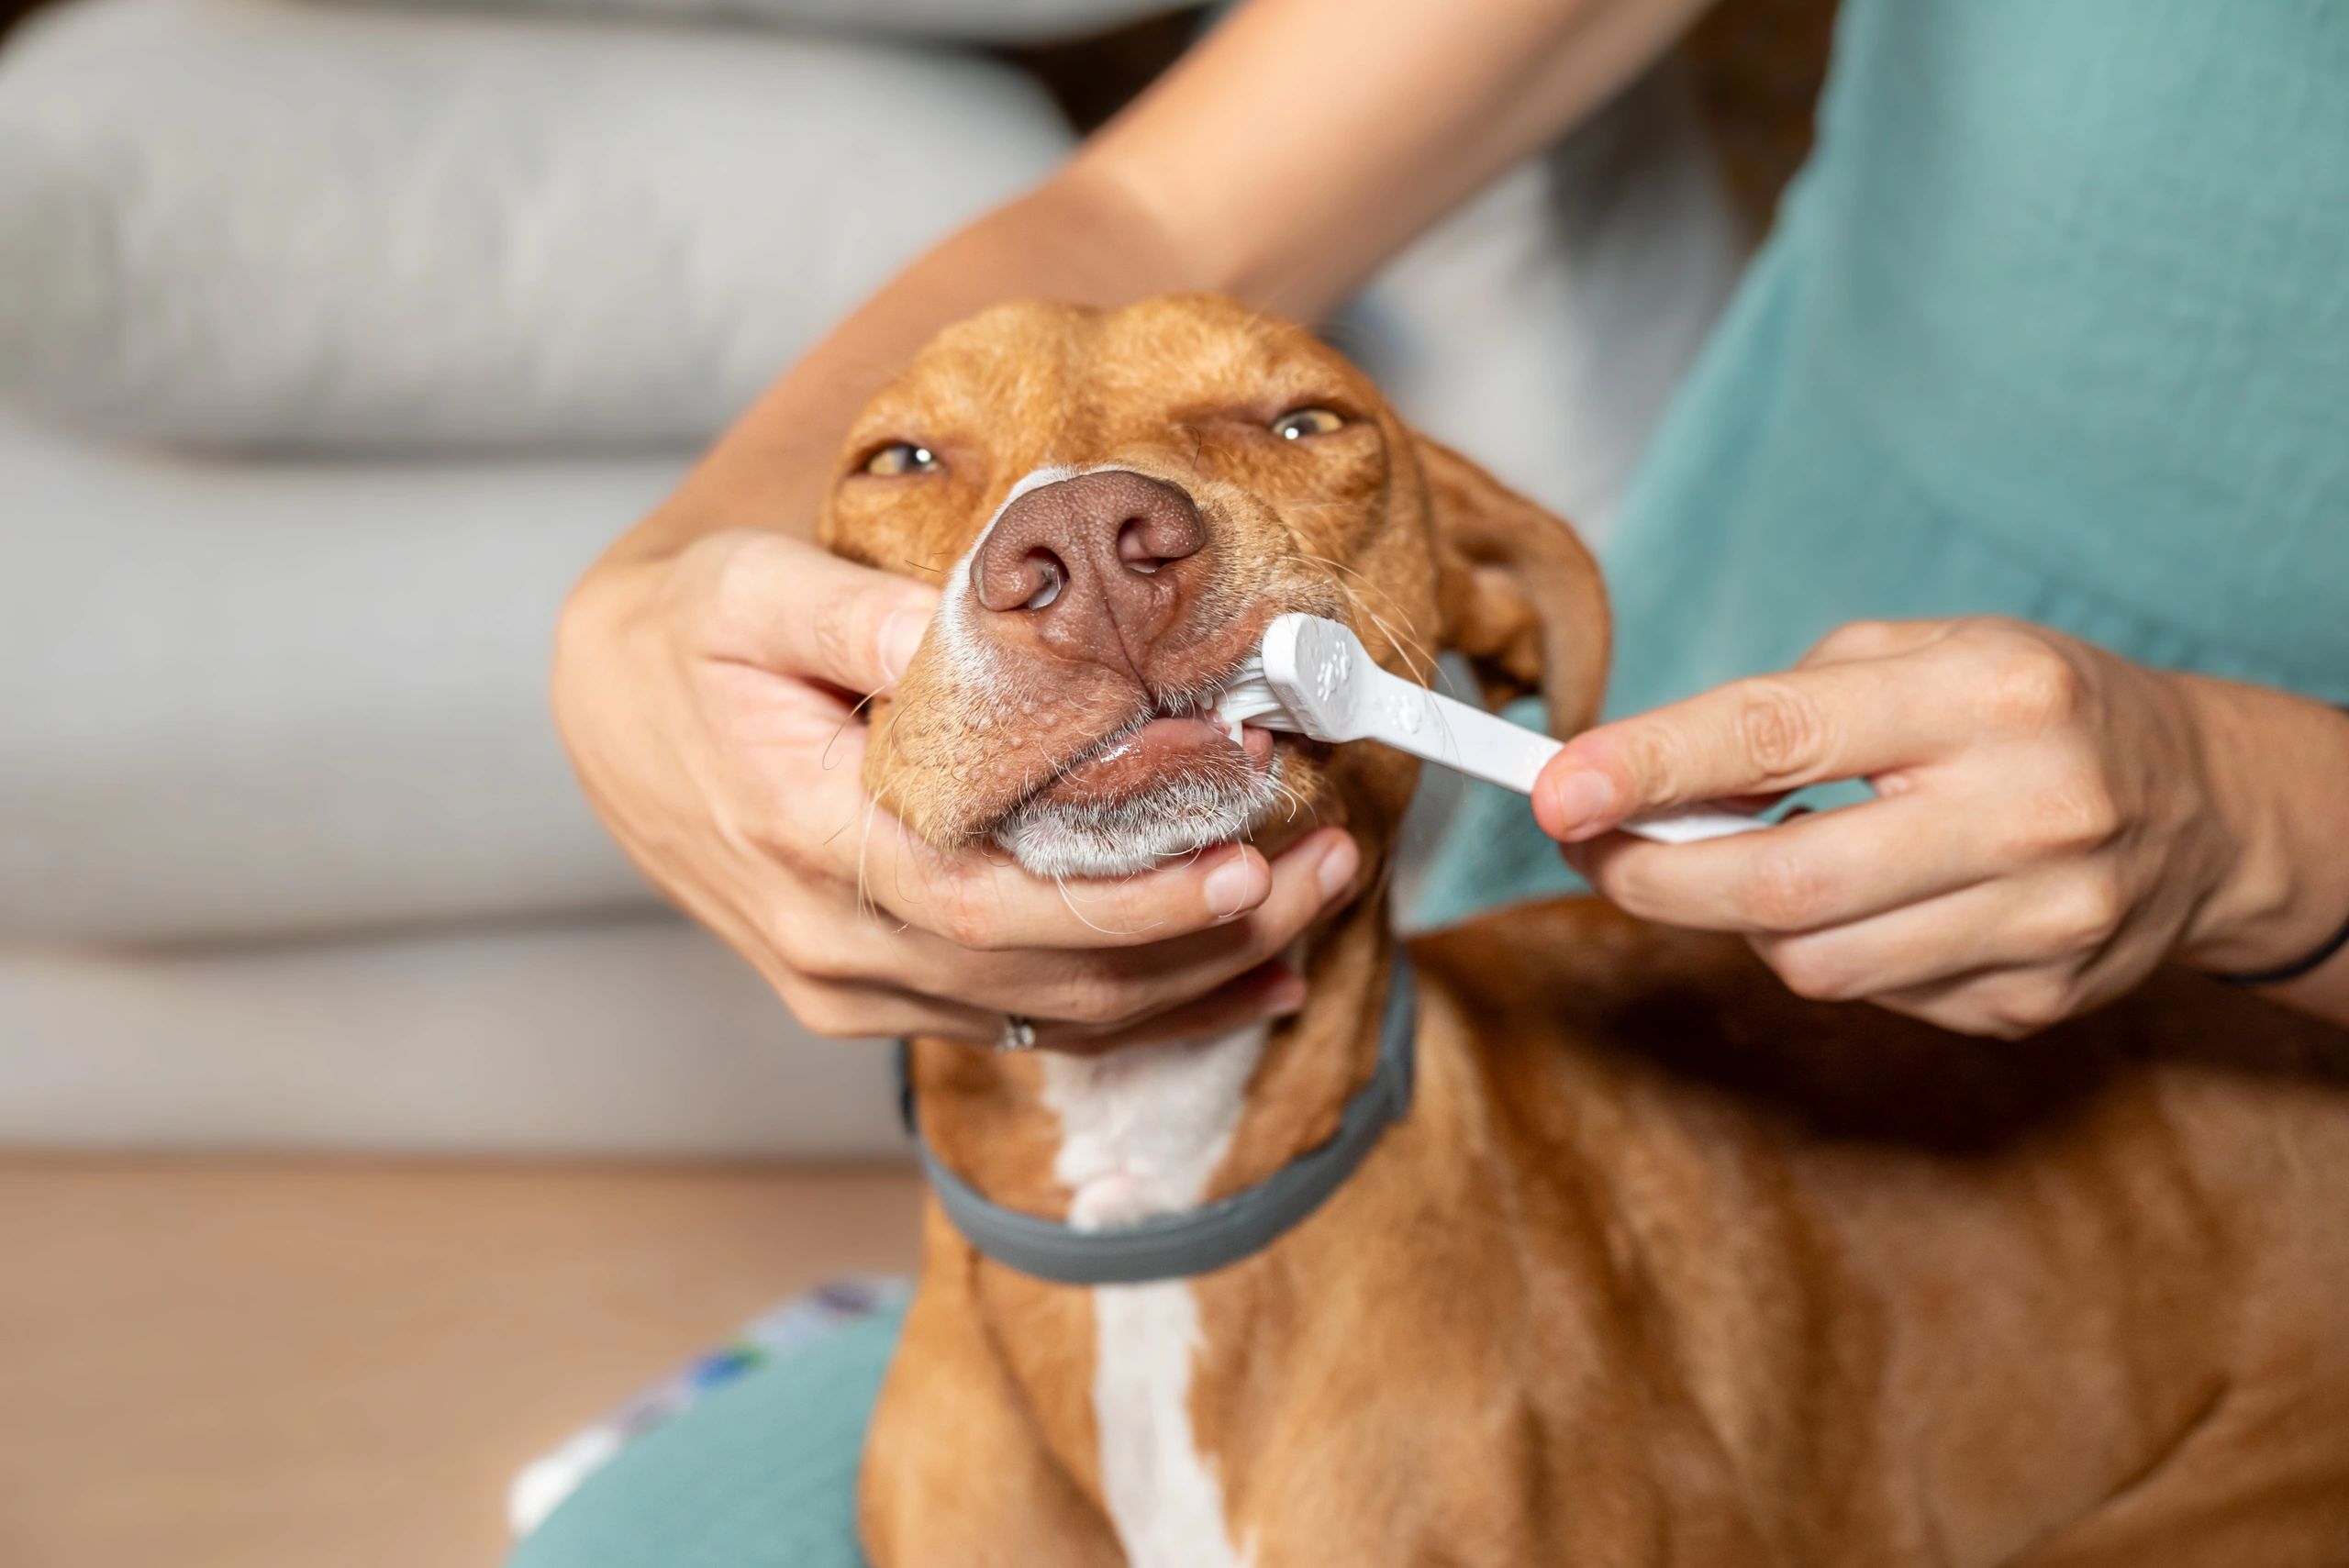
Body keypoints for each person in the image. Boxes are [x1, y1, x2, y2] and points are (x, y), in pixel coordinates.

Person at [526, 0, 2349, 1560]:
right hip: (1727, 773)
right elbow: (1147, 205)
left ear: (1484, 600)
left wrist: (2249, 813)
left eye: (1289, 423)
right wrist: (632, 605)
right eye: (915, 461)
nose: (1095, 530)